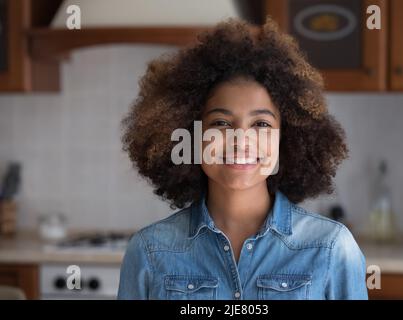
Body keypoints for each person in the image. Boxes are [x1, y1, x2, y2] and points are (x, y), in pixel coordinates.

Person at [117, 17, 368, 300]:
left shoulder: (331, 248)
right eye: (221, 124)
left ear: (287, 139)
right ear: (191, 133)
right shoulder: (149, 251)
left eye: (261, 124)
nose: (240, 140)